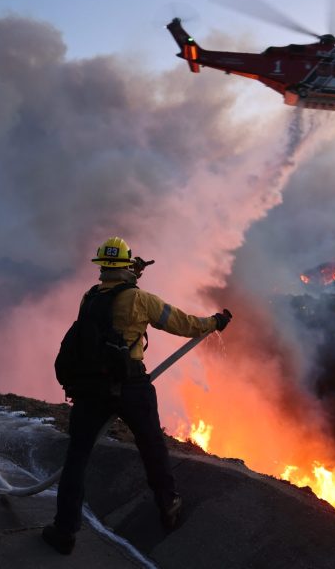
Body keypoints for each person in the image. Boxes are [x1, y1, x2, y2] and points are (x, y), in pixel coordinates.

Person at [42, 236, 231, 555]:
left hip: (91, 389)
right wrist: (215, 322)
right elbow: (184, 324)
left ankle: (64, 532)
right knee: (152, 446)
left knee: (77, 458)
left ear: (102, 265)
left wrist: (131, 275)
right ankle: (168, 505)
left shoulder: (89, 297)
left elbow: (106, 314)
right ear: (128, 265)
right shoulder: (140, 299)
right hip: (131, 385)